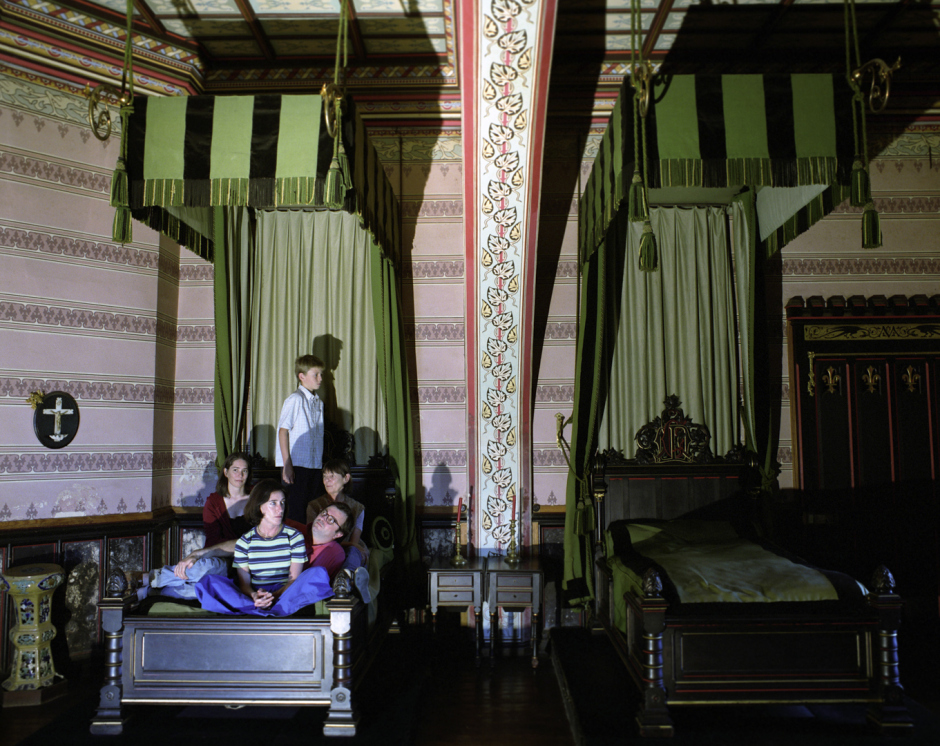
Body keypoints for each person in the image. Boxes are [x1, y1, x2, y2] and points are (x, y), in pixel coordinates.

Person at [193, 479, 354, 616]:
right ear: (260, 506)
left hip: (286, 594)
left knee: (318, 575)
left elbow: (295, 579)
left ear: (338, 534)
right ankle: (255, 609)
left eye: (331, 520)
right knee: (208, 582)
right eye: (324, 513)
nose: (280, 509)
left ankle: (269, 609)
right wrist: (255, 596)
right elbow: (244, 580)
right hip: (254, 593)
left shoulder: (304, 540)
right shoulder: (292, 530)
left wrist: (272, 596)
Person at [146, 453, 251, 599]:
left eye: (244, 470)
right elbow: (214, 542)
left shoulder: (256, 500)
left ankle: (152, 590)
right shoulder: (213, 502)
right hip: (219, 559)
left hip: (248, 562)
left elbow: (254, 541)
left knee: (200, 590)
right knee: (205, 568)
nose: (240, 474)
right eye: (235, 470)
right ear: (226, 472)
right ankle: (150, 579)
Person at [277, 354, 327, 523]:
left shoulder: (318, 403)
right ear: (302, 376)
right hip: (296, 466)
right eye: (316, 375)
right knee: (295, 512)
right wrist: (287, 464)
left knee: (311, 511)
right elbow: (283, 431)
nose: (320, 379)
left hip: (313, 465)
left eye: (321, 374)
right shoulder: (295, 399)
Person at [306, 459, 369, 570]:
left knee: (353, 553)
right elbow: (313, 538)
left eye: (332, 476)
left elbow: (353, 542)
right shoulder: (314, 505)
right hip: (324, 547)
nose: (327, 481)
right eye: (325, 476)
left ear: (346, 478)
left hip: (350, 548)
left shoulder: (357, 508)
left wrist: (353, 545)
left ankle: (346, 579)